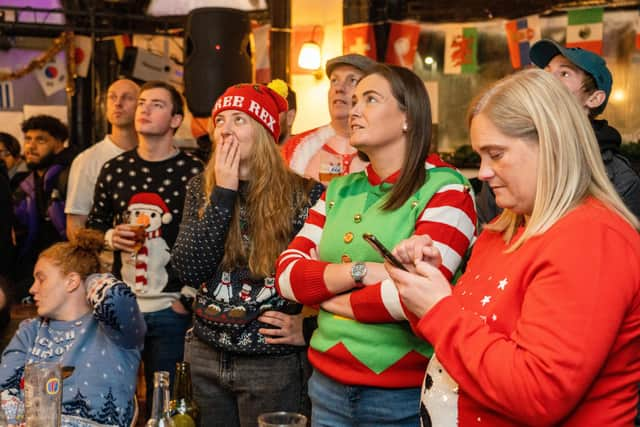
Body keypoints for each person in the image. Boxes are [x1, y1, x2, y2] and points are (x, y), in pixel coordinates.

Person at [387, 69, 640, 426]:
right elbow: (468, 333)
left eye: (496, 154)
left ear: (551, 145)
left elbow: (538, 394)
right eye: (480, 155)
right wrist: (424, 290)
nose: (484, 172)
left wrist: (437, 309)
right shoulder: (505, 226)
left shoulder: (592, 239)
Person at [275, 64, 477, 426]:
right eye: (354, 101)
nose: (354, 110)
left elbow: (412, 298)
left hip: (402, 394)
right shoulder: (339, 189)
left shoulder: (449, 189)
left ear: (408, 117)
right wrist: (364, 272)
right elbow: (288, 277)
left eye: (370, 99)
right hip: (325, 385)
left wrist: (328, 298)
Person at [172, 82, 325, 427]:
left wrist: (311, 327)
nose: (225, 129)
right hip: (206, 356)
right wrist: (223, 193)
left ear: (264, 131)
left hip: (272, 365)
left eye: (239, 119)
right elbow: (189, 269)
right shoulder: (201, 188)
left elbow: (326, 275)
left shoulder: (306, 195)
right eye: (220, 119)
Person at [86, 81, 203, 412]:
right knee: (112, 394)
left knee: (164, 402)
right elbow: (92, 229)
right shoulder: (115, 169)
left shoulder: (194, 172)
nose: (145, 109)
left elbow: (209, 238)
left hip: (172, 308)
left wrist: (187, 297)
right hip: (122, 305)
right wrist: (110, 237)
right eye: (142, 103)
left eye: (157, 104)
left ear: (176, 120)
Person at [476, 39, 640, 225]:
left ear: (594, 98)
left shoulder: (619, 178)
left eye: (564, 73)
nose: (548, 80)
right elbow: (487, 232)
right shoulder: (507, 160)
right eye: (546, 72)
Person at [0, 228, 146, 427]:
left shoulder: (114, 330)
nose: (32, 289)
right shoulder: (30, 330)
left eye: (41, 278)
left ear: (71, 281)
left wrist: (92, 278)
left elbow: (118, 298)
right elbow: (4, 387)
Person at [281, 53, 376, 185]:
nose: (339, 88)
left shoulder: (382, 148)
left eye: (352, 80)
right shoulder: (298, 147)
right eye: (334, 80)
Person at [65, 78, 140, 241]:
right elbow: (75, 227)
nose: (118, 103)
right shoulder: (87, 160)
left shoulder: (151, 156)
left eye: (127, 97)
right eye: (112, 97)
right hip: (106, 260)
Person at [12, 115, 76, 301]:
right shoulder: (27, 183)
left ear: (58, 145)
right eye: (28, 139)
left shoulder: (70, 175)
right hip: (36, 270)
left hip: (66, 271)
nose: (31, 146)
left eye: (41, 140)